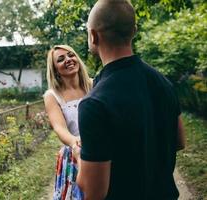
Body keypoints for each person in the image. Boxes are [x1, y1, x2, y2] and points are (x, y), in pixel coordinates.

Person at [75, 0, 186, 200]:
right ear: (133, 31)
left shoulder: (94, 103)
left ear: (93, 35)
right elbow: (179, 141)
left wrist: (78, 155)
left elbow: (94, 192)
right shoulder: (163, 82)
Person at [43, 44, 92, 200]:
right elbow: (59, 127)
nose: (68, 60)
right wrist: (76, 143)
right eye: (61, 59)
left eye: (71, 55)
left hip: (101, 148)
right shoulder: (52, 95)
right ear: (55, 68)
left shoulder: (95, 84)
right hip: (74, 154)